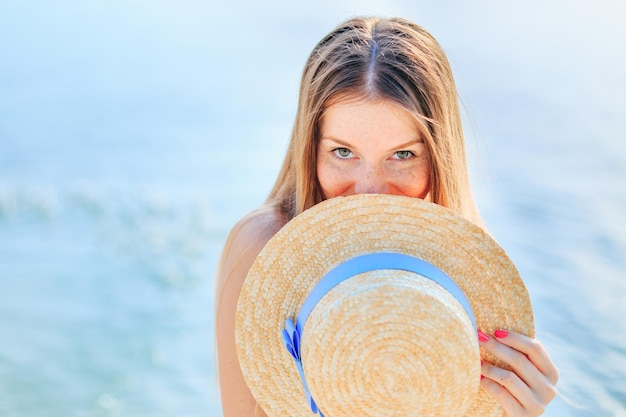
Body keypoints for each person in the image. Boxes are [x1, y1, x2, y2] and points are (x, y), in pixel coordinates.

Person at [215, 16, 559, 417]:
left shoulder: (469, 280)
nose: (370, 189)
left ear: (438, 159)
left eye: (402, 155)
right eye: (343, 153)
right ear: (311, 151)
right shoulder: (262, 249)